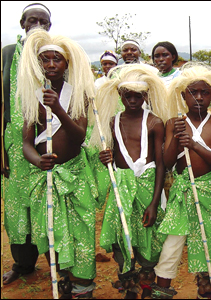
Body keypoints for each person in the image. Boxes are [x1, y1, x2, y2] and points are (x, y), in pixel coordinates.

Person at [16, 28, 97, 298]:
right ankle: (63, 278)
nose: (51, 65)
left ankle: (83, 284)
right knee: (53, 230)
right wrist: (38, 160)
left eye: (57, 59)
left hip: (74, 174)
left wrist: (59, 110)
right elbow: (27, 142)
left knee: (81, 231)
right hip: (47, 176)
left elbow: (79, 135)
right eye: (45, 60)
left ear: (67, 63)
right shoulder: (32, 96)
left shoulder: (79, 95)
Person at [150, 62, 211, 299]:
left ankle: (205, 287)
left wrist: (193, 144)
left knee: (208, 240)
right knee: (172, 243)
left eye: (204, 93)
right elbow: (168, 160)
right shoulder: (174, 123)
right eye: (193, 92)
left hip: (210, 192)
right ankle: (162, 289)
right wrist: (177, 135)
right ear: (183, 95)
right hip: (183, 191)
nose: (198, 98)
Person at [89, 64, 168, 299]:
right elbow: (108, 155)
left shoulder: (155, 122)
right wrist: (106, 158)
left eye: (138, 95)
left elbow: (161, 164)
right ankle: (128, 283)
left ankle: (145, 283)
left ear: (146, 96)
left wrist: (154, 203)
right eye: (127, 95)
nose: (132, 100)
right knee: (120, 235)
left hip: (147, 185)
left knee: (149, 237)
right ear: (119, 95)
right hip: (121, 186)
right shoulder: (113, 122)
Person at [1, 2, 52, 285]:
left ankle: (59, 264)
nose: (37, 26)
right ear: (22, 23)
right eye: (32, 21)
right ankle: (23, 264)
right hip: (14, 143)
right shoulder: (8, 53)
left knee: (49, 201)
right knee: (18, 205)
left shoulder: (57, 52)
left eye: (43, 22)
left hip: (49, 141)